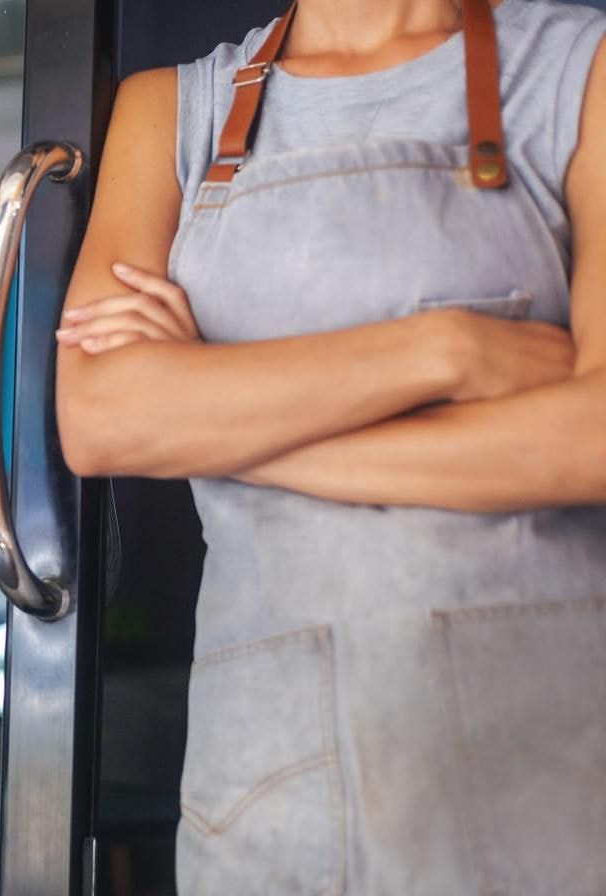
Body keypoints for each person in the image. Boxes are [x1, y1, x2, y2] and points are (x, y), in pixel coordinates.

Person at [54, 0, 606, 892]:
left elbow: (592, 438)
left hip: (544, 775)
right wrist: (441, 351)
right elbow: (100, 417)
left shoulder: (580, 69)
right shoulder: (170, 111)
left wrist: (217, 428)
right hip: (270, 797)